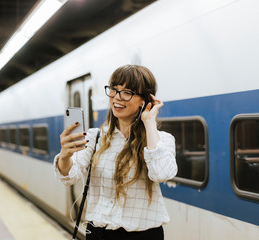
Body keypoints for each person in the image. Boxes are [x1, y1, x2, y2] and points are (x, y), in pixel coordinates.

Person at [54, 64, 177, 240]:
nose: (117, 98)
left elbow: (161, 174)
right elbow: (69, 177)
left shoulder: (161, 140)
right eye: (114, 89)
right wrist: (65, 155)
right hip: (98, 233)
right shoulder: (94, 137)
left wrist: (149, 122)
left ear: (145, 100)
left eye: (127, 92)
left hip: (142, 235)